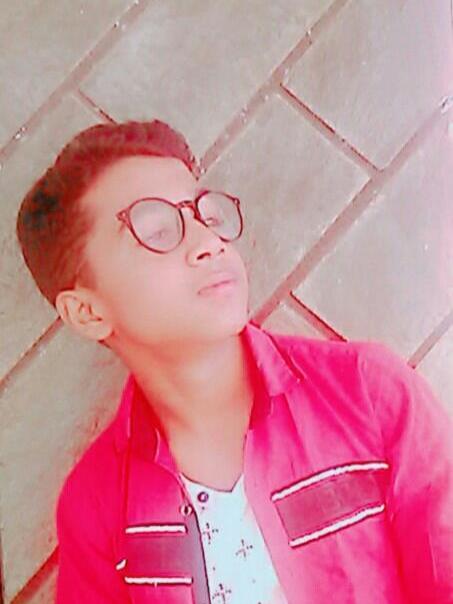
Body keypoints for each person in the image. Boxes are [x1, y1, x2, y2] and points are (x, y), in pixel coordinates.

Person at [16, 120, 452, 604]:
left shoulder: (366, 393)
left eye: (204, 215)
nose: (207, 242)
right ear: (88, 312)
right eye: (157, 230)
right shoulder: (96, 507)